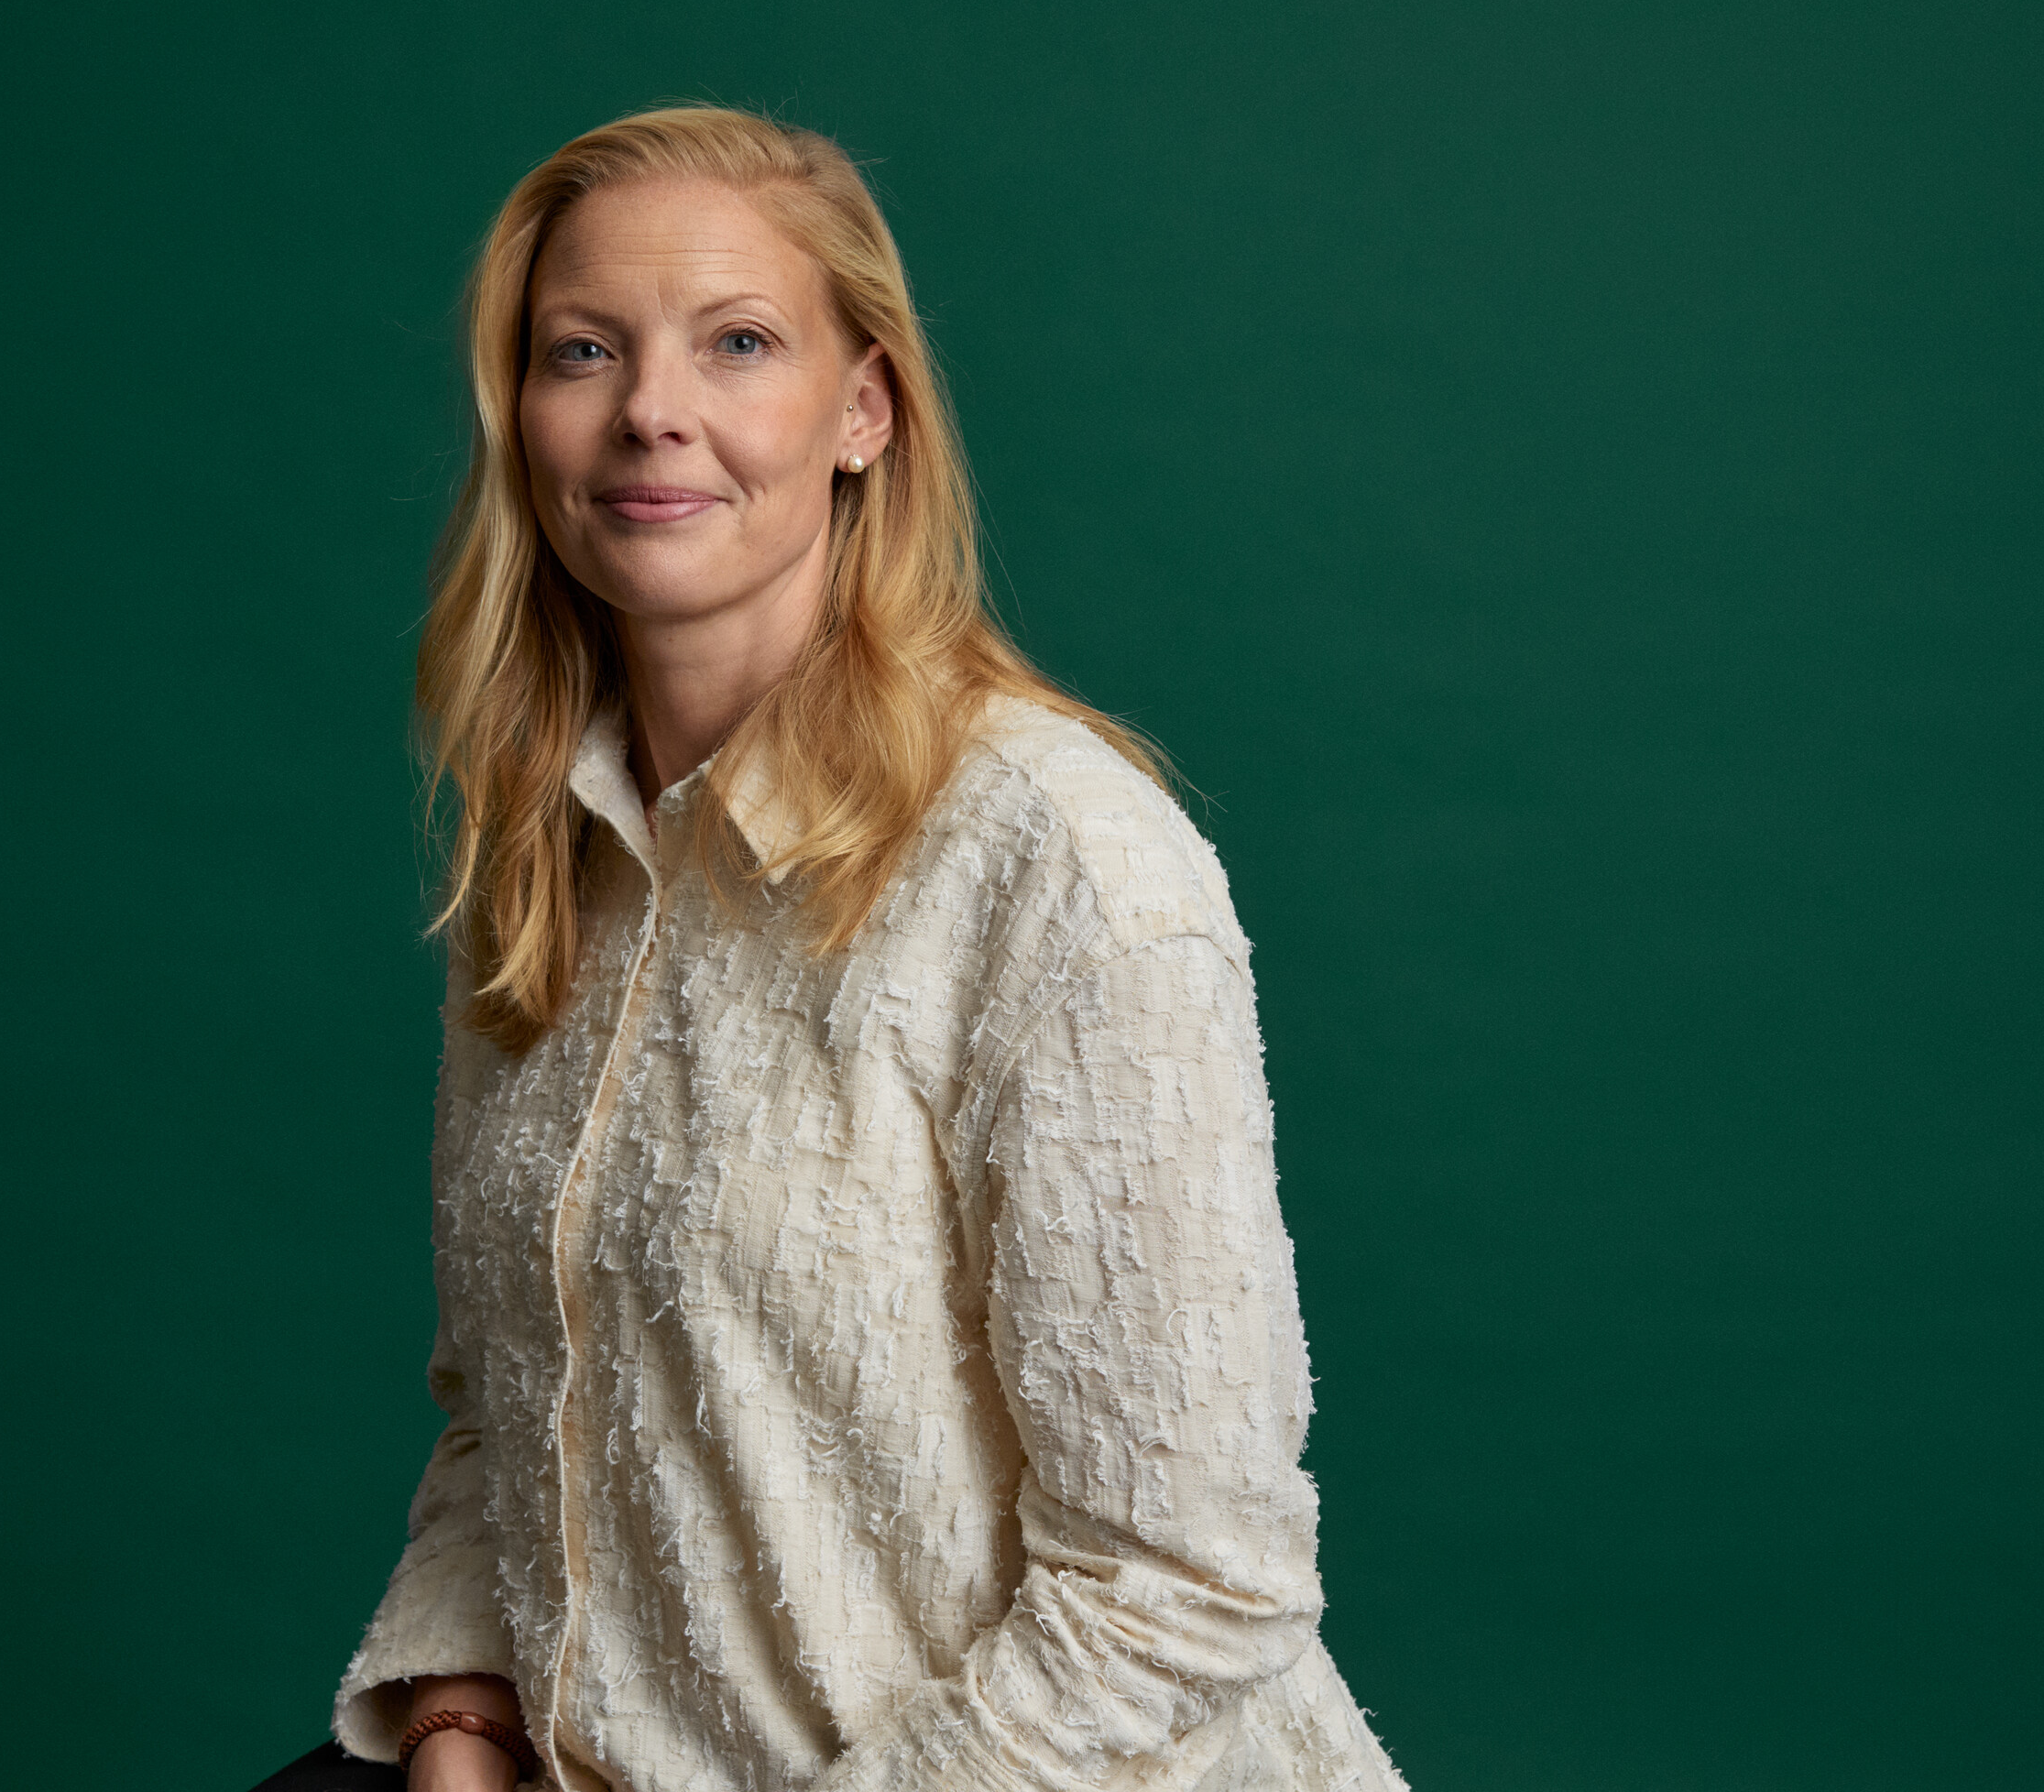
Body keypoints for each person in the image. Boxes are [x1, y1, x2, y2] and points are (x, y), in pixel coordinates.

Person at [266, 105, 1406, 1792]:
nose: (651, 409)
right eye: (584, 350)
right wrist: (456, 1721)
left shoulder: (1060, 866)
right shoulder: (548, 858)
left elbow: (1189, 1588)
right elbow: (516, 1422)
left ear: (863, 411)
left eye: (738, 342)